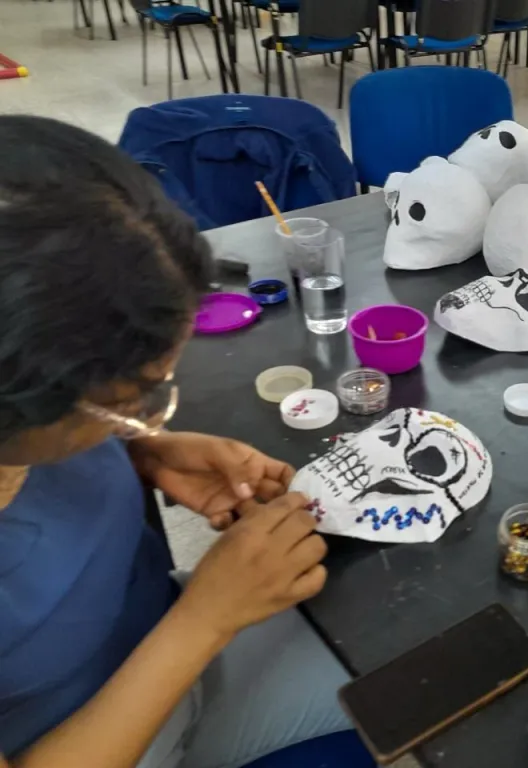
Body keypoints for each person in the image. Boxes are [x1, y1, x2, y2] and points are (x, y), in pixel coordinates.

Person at [0, 116, 354, 768]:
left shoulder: (32, 430)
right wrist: (206, 620)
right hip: (114, 737)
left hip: (164, 642)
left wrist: (143, 452)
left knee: (407, 651)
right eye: (138, 396)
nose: (153, 412)